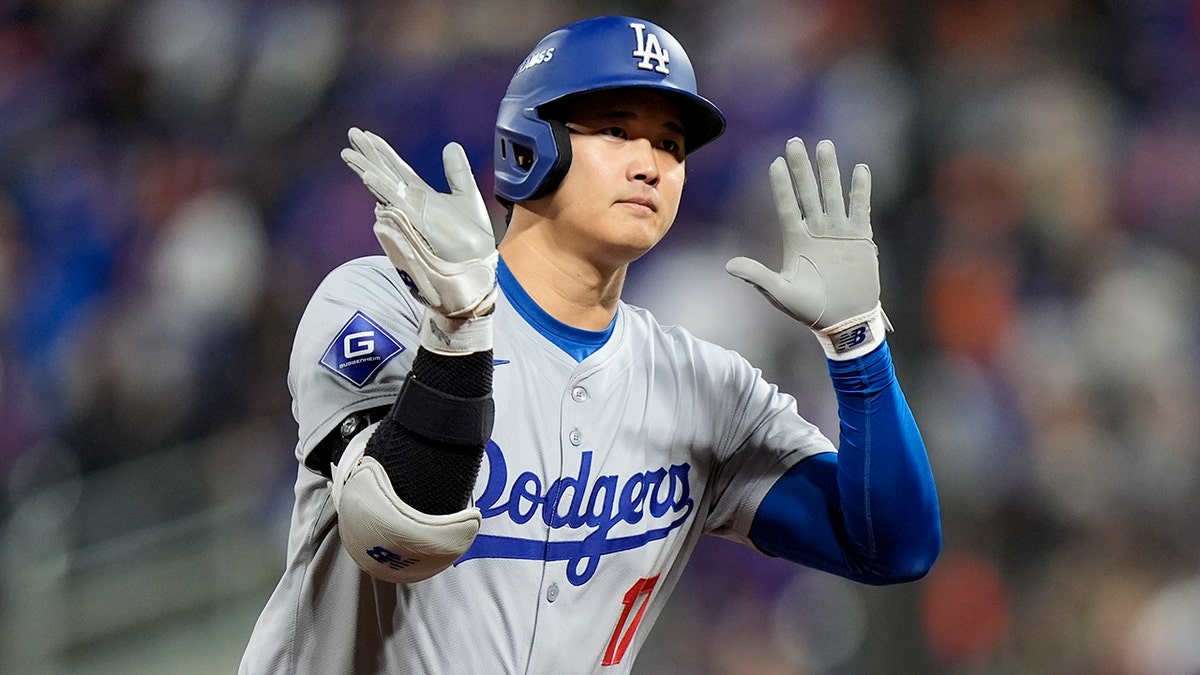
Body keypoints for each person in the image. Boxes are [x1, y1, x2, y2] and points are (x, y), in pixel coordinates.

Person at [240, 14, 941, 674]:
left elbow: (895, 547)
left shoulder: (704, 386)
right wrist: (458, 331)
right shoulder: (382, 302)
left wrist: (859, 344)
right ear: (527, 147)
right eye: (616, 130)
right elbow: (395, 536)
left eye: (670, 143)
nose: (651, 164)